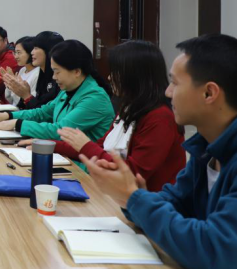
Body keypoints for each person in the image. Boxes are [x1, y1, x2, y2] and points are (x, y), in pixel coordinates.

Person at [79, 34, 237, 269]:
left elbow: (216, 254)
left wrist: (134, 198)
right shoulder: (208, 147)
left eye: (175, 83)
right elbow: (173, 202)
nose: (167, 92)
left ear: (209, 93)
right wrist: (134, 197)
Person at [54, 41, 185, 191]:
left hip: (147, 200)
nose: (110, 78)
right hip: (118, 193)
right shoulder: (130, 107)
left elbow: (133, 173)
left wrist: (85, 146)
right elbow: (101, 146)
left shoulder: (160, 117)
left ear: (133, 75)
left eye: (116, 72)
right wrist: (48, 145)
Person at [0, 40, 113, 145]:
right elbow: (42, 113)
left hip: (81, 161)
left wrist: (17, 124)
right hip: (63, 153)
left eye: (57, 72)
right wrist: (8, 115)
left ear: (77, 71)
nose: (54, 77)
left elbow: (61, 131)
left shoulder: (95, 98)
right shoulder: (68, 90)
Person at [1, 36, 40, 107]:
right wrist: (10, 85)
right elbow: (10, 100)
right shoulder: (22, 70)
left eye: (19, 53)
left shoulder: (37, 73)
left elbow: (27, 104)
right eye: (15, 53)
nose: (16, 56)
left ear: (30, 52)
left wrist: (15, 86)